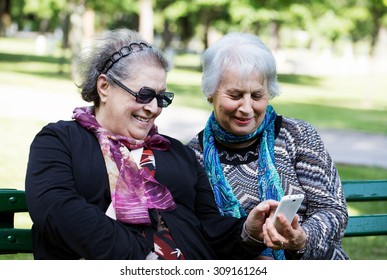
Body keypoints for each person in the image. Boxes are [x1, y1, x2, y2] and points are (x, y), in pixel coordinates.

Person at [25, 28, 276, 260]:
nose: (154, 108)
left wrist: (248, 230)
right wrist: (145, 256)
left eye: (161, 97)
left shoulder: (176, 152)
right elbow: (58, 212)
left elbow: (210, 228)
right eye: (144, 94)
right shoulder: (59, 141)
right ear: (104, 87)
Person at [187, 32, 349, 260]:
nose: (246, 107)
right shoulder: (193, 156)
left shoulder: (298, 136)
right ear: (210, 93)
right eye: (234, 95)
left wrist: (301, 239)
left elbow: (332, 211)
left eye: (257, 95)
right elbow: (198, 234)